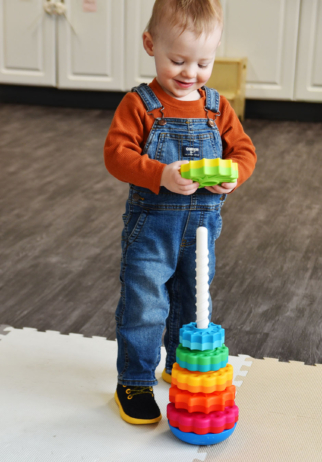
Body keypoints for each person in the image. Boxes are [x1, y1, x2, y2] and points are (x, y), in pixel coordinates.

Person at [104, 0, 256, 425]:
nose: (191, 72)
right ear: (150, 45)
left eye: (203, 62)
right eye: (178, 60)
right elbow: (116, 156)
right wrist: (159, 174)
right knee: (145, 304)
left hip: (203, 230)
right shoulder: (140, 105)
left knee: (193, 300)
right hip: (152, 228)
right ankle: (134, 378)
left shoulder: (216, 107)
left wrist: (235, 174)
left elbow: (243, 150)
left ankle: (180, 363)